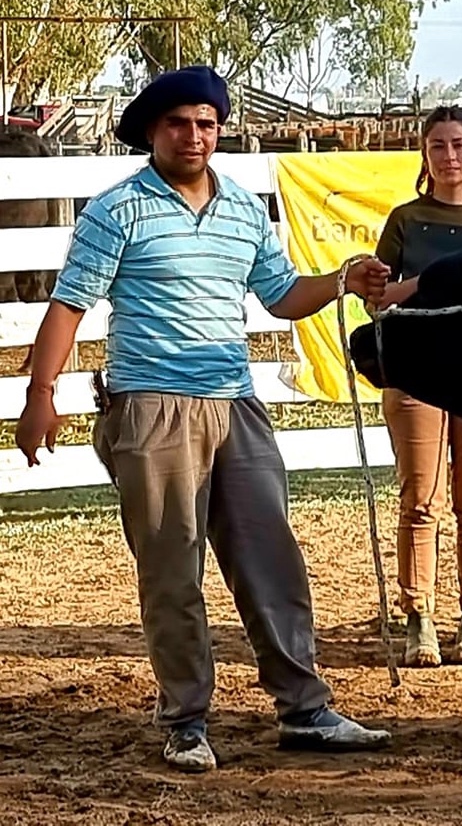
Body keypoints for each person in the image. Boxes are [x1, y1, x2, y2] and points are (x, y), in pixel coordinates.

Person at [12, 66, 393, 773]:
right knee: (171, 570)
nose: (194, 136)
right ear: (154, 132)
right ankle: (186, 720)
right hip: (150, 407)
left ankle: (304, 708)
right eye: (179, 124)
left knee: (270, 555)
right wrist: (41, 393)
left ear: (219, 130)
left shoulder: (244, 209)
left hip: (234, 402)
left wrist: (341, 277)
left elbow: (279, 295)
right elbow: (69, 304)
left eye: (206, 124)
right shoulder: (117, 210)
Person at [374, 106, 462, 667]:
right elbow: (378, 294)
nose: (449, 156)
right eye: (438, 146)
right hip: (417, 371)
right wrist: (414, 286)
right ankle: (420, 617)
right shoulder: (405, 220)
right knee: (421, 497)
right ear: (425, 155)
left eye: (459, 145)